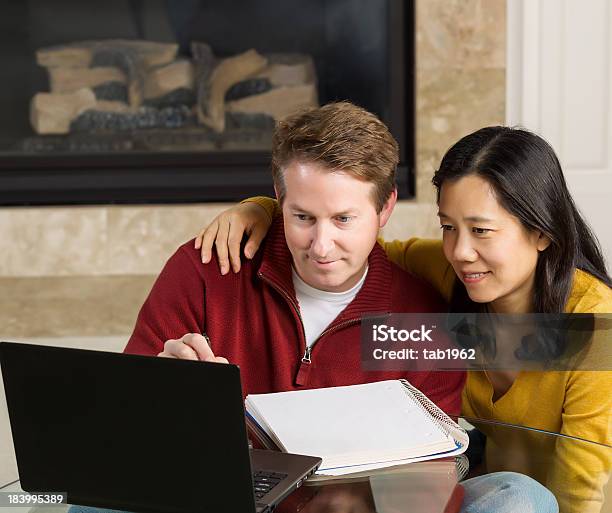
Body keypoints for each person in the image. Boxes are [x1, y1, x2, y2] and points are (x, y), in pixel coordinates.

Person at [195, 126, 611, 513]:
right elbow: (350, 245)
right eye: (449, 227)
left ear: (542, 232)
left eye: (481, 230)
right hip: (486, 475)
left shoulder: (594, 324)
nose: (460, 251)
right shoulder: (451, 272)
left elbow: (585, 487)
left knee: (522, 497)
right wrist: (266, 210)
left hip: (561, 498)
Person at [124, 101, 465, 415]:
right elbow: (121, 415)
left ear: (385, 207)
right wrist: (157, 390)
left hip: (364, 484)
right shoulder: (206, 270)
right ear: (278, 197)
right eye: (303, 217)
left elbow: (434, 468)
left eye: (343, 219)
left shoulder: (426, 323)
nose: (321, 247)